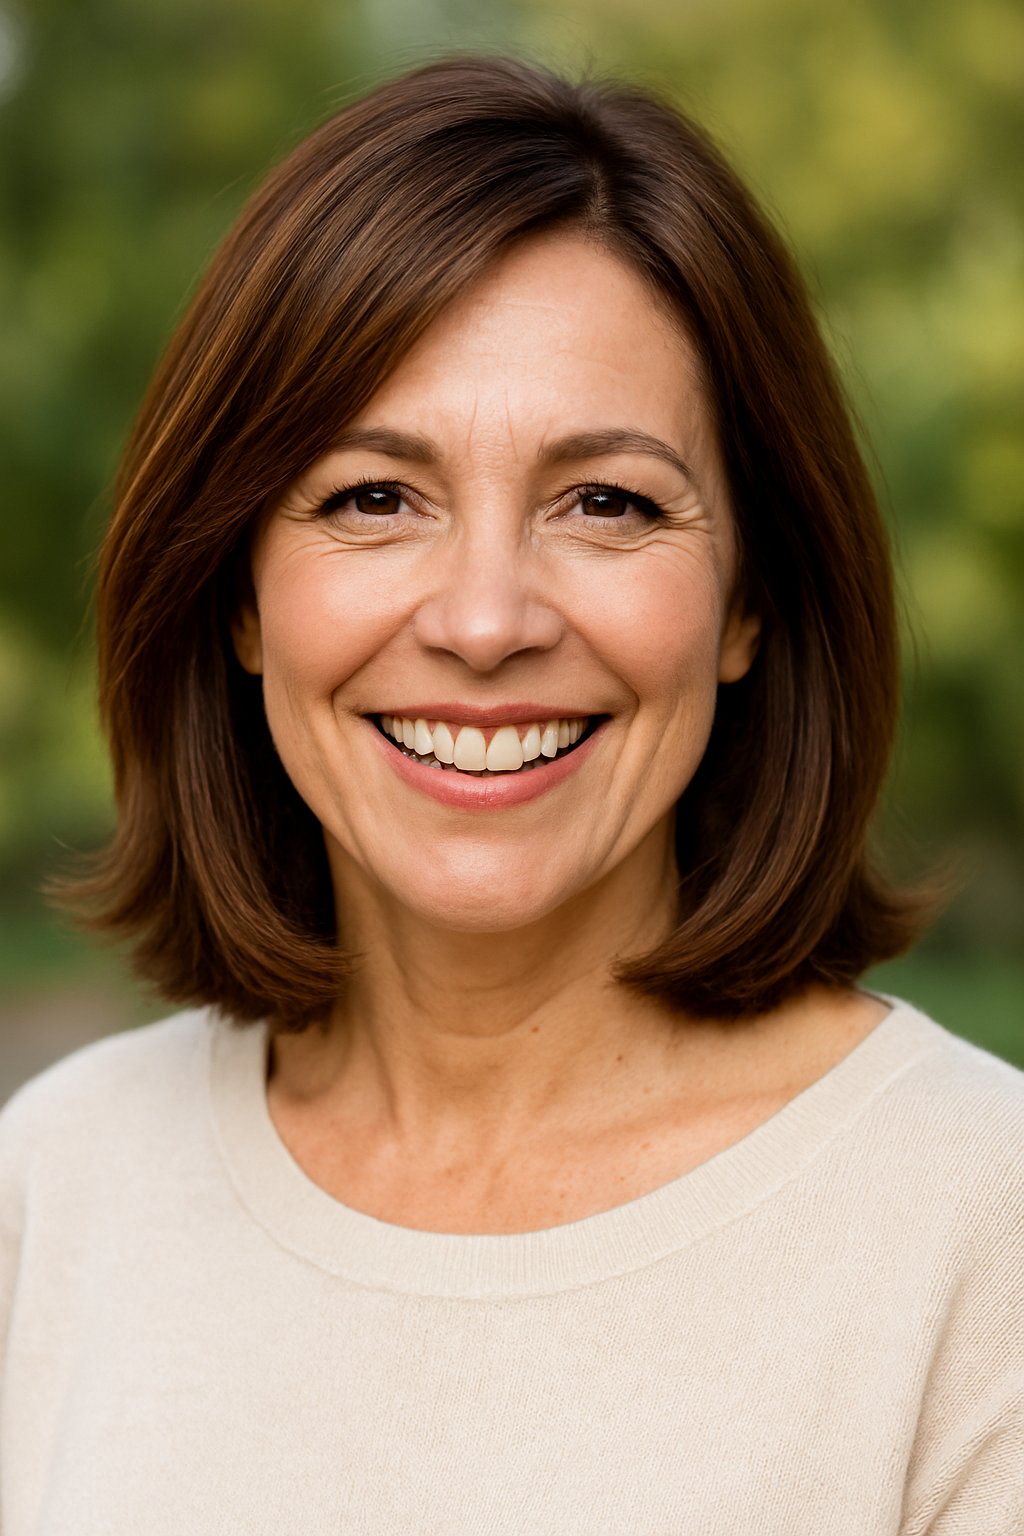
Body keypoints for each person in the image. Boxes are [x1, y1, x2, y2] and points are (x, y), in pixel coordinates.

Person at [1, 54, 1021, 1534]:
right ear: (237, 595)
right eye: (372, 498)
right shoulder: (58, 1181)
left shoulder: (976, 1232)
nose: (486, 621)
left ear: (750, 602)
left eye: (607, 502)